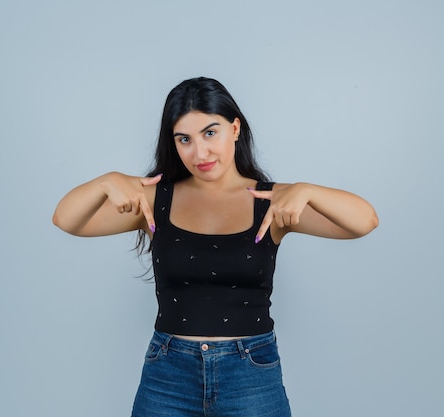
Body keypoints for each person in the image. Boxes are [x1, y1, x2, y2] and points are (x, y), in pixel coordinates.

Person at [52, 77, 378, 417]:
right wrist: (107, 181)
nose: (200, 153)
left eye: (211, 133)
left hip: (250, 373)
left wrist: (307, 190)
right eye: (184, 139)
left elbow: (364, 221)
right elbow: (66, 219)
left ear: (235, 128)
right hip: (168, 375)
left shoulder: (273, 202)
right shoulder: (154, 199)